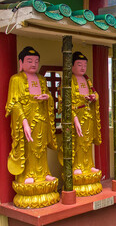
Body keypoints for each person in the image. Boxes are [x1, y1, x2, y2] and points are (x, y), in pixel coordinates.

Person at [6, 46, 59, 208]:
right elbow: (13, 104)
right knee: (28, 148)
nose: (34, 64)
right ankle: (27, 175)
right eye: (29, 61)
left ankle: (44, 173)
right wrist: (23, 122)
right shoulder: (16, 79)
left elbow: (50, 98)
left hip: (41, 119)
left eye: (36, 61)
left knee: (41, 148)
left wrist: (47, 98)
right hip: (26, 121)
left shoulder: (42, 80)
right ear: (21, 63)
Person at [59, 51, 102, 196]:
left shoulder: (86, 80)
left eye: (85, 65)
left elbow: (95, 94)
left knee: (87, 141)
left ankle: (88, 165)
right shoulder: (68, 80)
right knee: (77, 141)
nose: (83, 68)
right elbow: (64, 101)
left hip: (88, 115)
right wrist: (74, 118)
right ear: (71, 66)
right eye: (79, 65)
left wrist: (93, 97)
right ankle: (76, 166)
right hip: (75, 116)